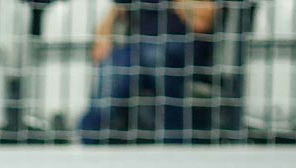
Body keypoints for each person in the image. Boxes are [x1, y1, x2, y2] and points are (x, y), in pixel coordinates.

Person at [77, 0, 217, 145]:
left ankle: (174, 141)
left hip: (181, 50)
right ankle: (90, 137)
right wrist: (103, 39)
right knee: (116, 63)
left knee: (152, 56)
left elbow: (202, 22)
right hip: (136, 50)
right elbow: (115, 12)